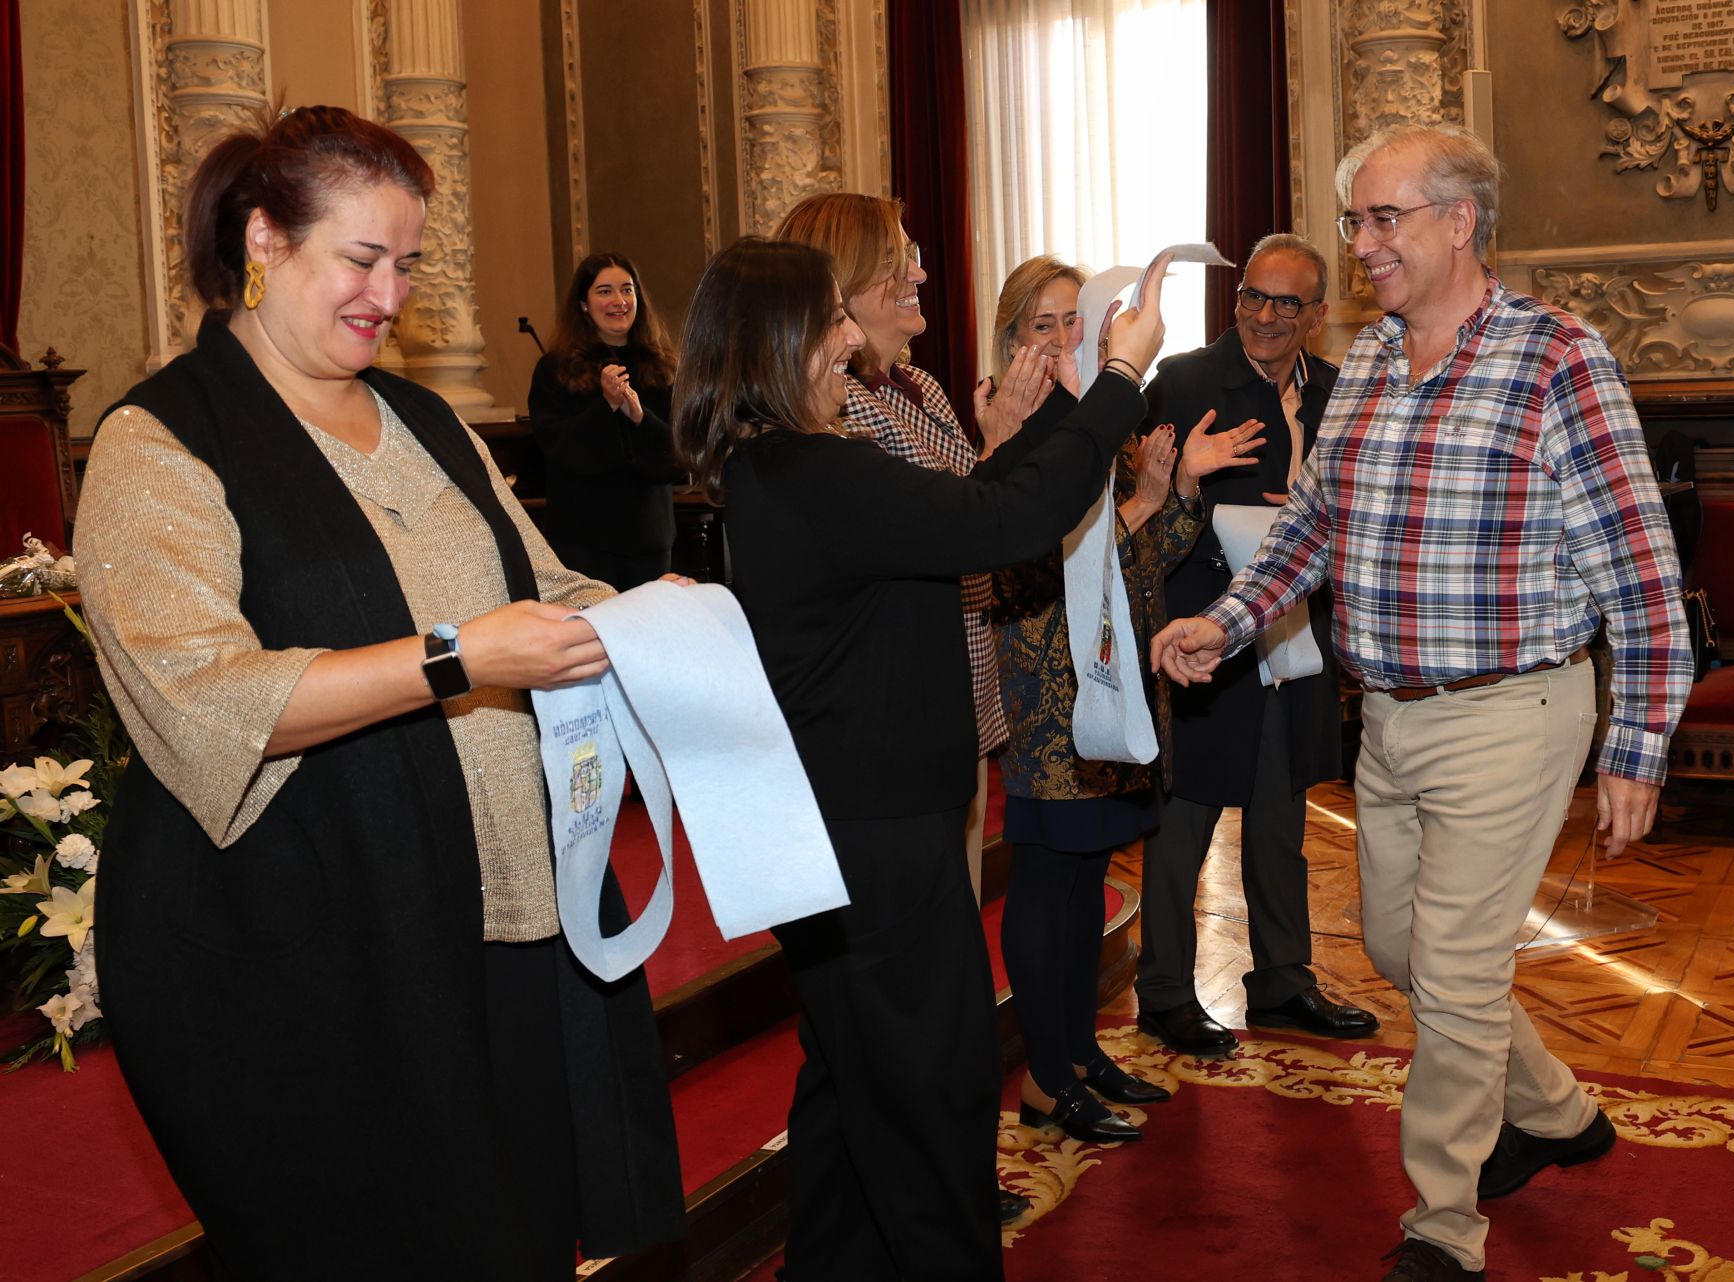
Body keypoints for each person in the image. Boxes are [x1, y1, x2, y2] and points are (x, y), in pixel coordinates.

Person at [72, 106, 683, 1280]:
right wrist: (460, 657)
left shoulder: (425, 417)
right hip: (319, 950)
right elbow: (204, 696)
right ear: (265, 239)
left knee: (515, 1230)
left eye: (406, 265)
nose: (389, 294)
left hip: (509, 911)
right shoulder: (160, 440)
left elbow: (541, 584)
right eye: (362, 259)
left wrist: (653, 614)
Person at [1151, 123, 1690, 1282]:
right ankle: (1555, 1107)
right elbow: (1308, 529)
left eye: (1383, 219)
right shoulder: (1372, 364)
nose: (1362, 246)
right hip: (1387, 716)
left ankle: (1444, 1224)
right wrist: (1228, 621)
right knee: (1404, 951)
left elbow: (1641, 568)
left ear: (1461, 220)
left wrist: (1638, 745)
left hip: (1515, 709)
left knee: (1449, 963)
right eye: (1355, 221)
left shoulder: (1558, 358)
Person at [673, 236, 1168, 1281]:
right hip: (876, 843)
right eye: (832, 321)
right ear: (781, 341)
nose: (850, 339)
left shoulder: (782, 468)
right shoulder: (819, 469)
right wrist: (1121, 378)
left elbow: (956, 525)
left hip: (849, 826)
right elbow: (1009, 521)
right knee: (932, 1103)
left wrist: (1016, 443)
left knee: (855, 1093)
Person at [988, 255, 1262, 1143]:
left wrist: (1167, 494)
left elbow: (1143, 561)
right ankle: (1046, 1074)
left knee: (1087, 883)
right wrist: (1130, 502)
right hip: (1049, 686)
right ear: (1011, 339)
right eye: (1044, 324)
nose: (1065, 339)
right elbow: (1017, 557)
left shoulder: (1104, 423)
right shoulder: (1015, 419)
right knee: (1048, 881)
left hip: (1114, 682)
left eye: (1076, 321)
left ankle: (1077, 1056)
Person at [1133, 234, 1379, 1055]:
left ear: (1316, 314)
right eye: (1252, 299)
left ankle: (1281, 982)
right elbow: (1142, 516)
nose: (1265, 318)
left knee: (1280, 821)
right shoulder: (1187, 383)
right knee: (1185, 823)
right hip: (1203, 635)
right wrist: (1196, 491)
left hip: (1295, 634)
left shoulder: (1339, 393)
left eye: (1286, 304)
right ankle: (1165, 990)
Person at [773, 194, 1053, 915]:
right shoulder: (841, 411)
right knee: (921, 913)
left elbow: (970, 507)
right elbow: (958, 522)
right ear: (843, 282)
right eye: (899, 264)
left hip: (965, 675)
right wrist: (1000, 445)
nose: (919, 277)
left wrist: (999, 445)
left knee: (956, 894)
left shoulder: (920, 386)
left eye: (915, 260)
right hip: (906, 697)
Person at [527, 250, 681, 589]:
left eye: (627, 289)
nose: (619, 301)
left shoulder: (664, 367)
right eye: (604, 291)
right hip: (584, 541)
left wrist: (640, 418)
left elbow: (679, 458)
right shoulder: (555, 369)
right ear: (583, 303)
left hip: (648, 541)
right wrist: (606, 407)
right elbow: (560, 450)